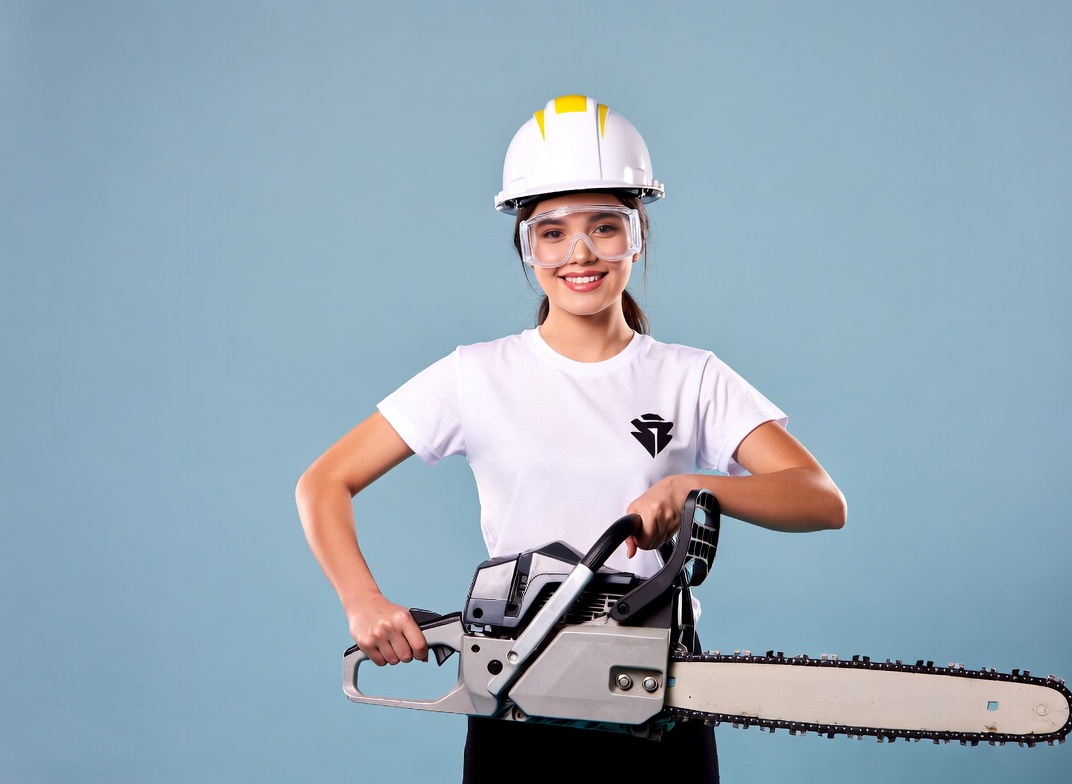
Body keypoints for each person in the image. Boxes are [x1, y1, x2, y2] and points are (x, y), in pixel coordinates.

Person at [296, 94, 846, 782]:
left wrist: (691, 487)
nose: (579, 254)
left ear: (637, 235)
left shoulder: (692, 376)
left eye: (604, 227)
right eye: (552, 233)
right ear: (527, 247)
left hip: (657, 693)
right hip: (518, 695)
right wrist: (362, 601)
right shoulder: (476, 374)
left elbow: (819, 498)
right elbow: (324, 482)